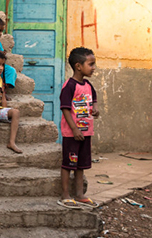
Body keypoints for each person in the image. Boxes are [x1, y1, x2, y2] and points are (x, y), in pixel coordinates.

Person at [57, 47, 100, 209]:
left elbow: (94, 100)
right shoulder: (69, 86)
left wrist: (95, 108)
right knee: (69, 164)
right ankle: (65, 194)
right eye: (91, 64)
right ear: (78, 66)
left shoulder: (88, 85)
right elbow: (65, 109)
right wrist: (74, 129)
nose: (94, 67)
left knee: (81, 165)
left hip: (86, 133)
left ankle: (80, 194)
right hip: (72, 134)